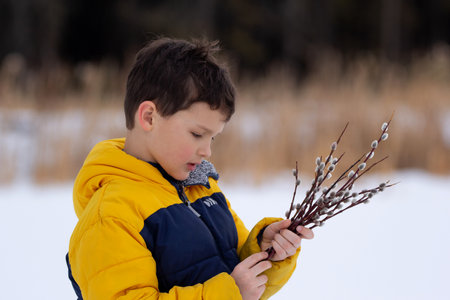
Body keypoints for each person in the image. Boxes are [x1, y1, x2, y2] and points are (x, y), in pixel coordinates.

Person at [66, 37, 314, 300]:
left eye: (212, 138)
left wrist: (266, 252)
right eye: (197, 134)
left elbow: (237, 275)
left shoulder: (202, 189)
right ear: (149, 117)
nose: (207, 151)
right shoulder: (112, 216)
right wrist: (227, 294)